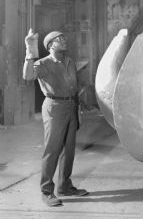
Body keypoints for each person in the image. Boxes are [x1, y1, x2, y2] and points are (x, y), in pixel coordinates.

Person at [23, 28, 89, 207]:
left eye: (64, 37)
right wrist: (30, 52)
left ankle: (65, 186)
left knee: (69, 151)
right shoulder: (43, 64)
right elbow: (28, 76)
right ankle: (46, 191)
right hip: (54, 108)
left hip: (71, 106)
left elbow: (74, 86)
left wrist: (78, 108)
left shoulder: (69, 61)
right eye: (60, 39)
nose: (64, 40)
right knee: (52, 150)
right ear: (50, 45)